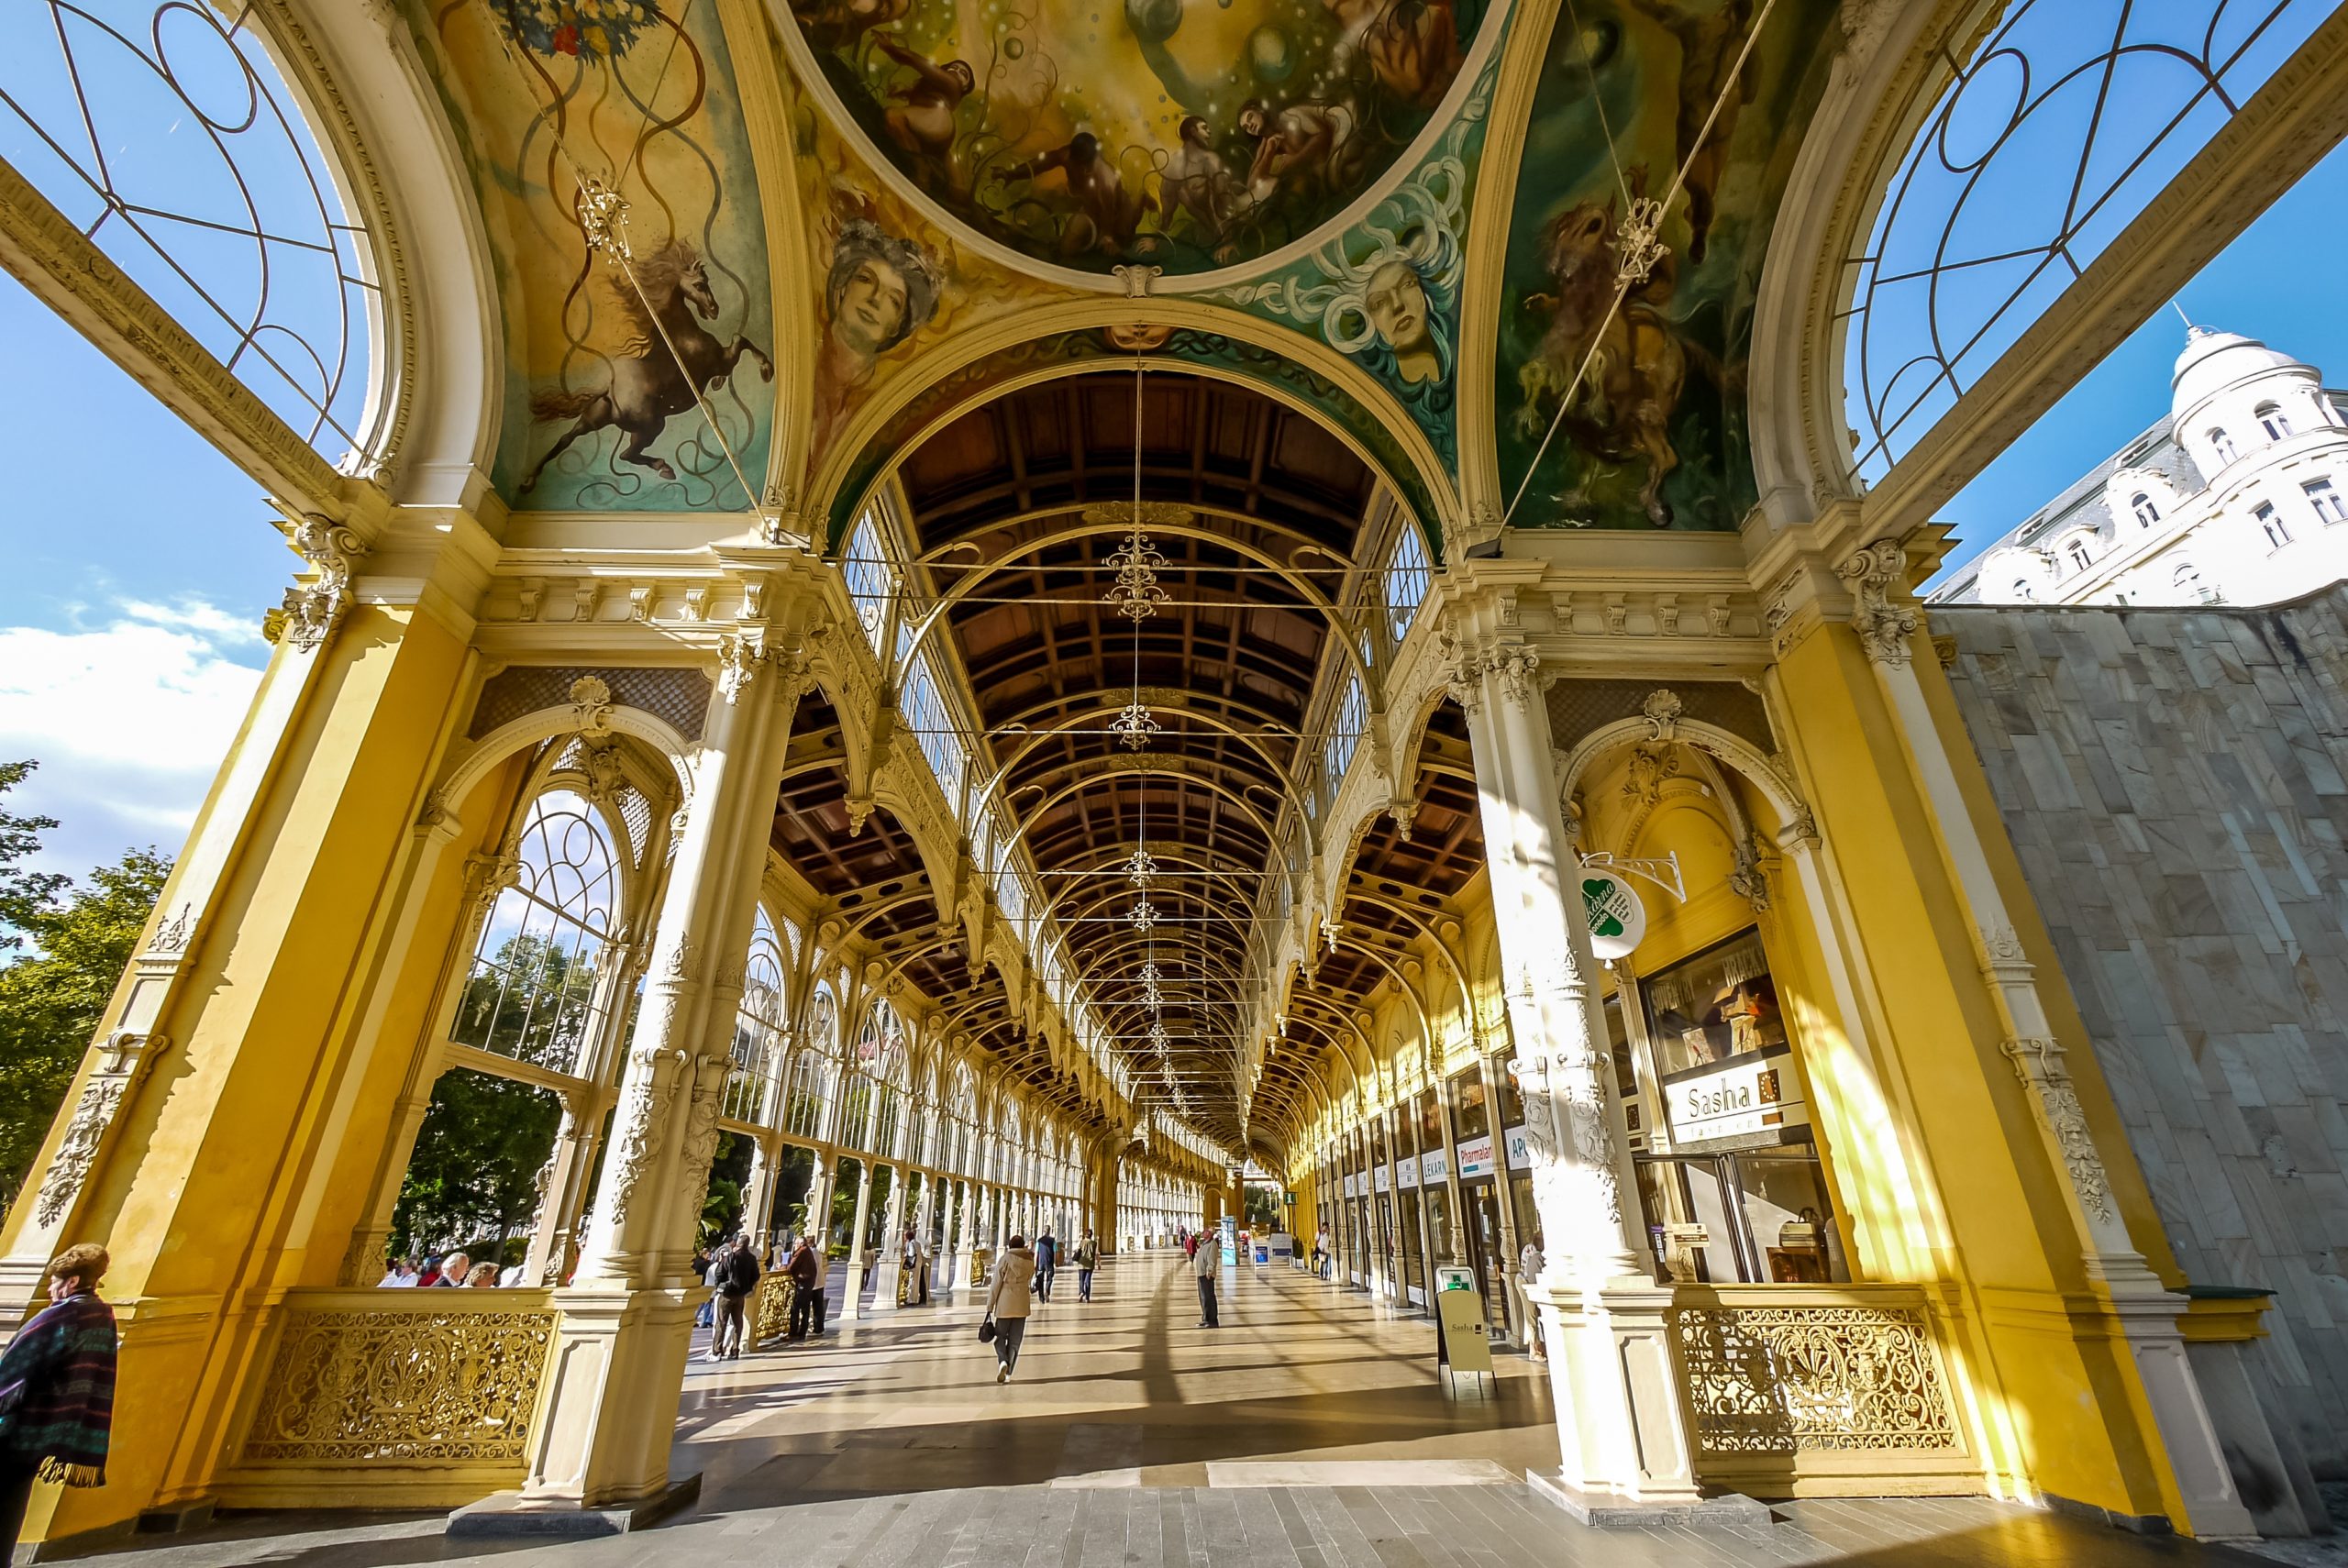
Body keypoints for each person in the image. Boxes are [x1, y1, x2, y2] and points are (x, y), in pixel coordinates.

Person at [0, 1244, 118, 1556]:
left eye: (54, 1282)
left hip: (17, 1428)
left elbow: (15, 1372)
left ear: (73, 1282)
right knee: (10, 1506)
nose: (51, 1289)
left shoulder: (62, 1315)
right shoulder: (102, 1314)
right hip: (47, 1430)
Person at [984, 1234, 1037, 1383]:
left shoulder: (1005, 1259)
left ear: (1010, 1245)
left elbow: (996, 1284)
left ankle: (1003, 1361)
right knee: (1015, 1341)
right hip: (1021, 1304)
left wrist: (990, 1305)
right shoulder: (1029, 1260)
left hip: (1005, 1304)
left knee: (999, 1336)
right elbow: (1030, 1277)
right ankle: (1009, 1372)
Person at [711, 1232, 760, 1360]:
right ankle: (735, 1350)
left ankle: (718, 1351)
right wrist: (747, 1287)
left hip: (727, 1293)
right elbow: (756, 1276)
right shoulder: (751, 1258)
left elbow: (719, 1273)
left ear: (738, 1243)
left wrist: (719, 1287)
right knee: (738, 1323)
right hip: (740, 1295)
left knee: (721, 1322)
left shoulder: (731, 1257)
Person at [785, 1238, 821, 1342]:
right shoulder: (808, 1251)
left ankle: (793, 1333)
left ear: (800, 1244)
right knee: (805, 1309)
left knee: (795, 1308)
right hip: (809, 1283)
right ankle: (802, 1332)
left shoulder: (801, 1251)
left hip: (803, 1283)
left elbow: (791, 1267)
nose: (795, 1245)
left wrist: (785, 1267)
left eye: (795, 1243)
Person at [1191, 1227, 1221, 1329]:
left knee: (1208, 1297)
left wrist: (1209, 1271)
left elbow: (1212, 1259)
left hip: (1206, 1275)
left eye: (1206, 1231)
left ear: (1210, 1233)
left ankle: (1212, 1320)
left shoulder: (1212, 1244)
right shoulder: (1205, 1243)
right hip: (1201, 1274)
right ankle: (1205, 1318)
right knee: (1203, 1297)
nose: (1203, 1232)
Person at [1073, 1230, 1100, 1302]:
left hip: (1082, 1264)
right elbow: (1097, 1254)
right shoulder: (1094, 1243)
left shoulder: (1081, 1242)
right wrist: (1099, 1263)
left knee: (1081, 1279)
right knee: (1088, 1280)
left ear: (1085, 1235)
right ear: (1091, 1235)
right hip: (1090, 1264)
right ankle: (1087, 1298)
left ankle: (1081, 1292)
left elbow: (1074, 1249)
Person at [1033, 1230, 1057, 1302]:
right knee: (1050, 1278)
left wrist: (1035, 1264)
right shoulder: (1053, 1241)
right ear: (1049, 1231)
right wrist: (1055, 1262)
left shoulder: (1039, 1241)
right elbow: (1055, 1252)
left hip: (1041, 1263)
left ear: (1043, 1231)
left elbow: (1036, 1253)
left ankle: (1041, 1298)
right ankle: (1047, 1291)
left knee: (1040, 1279)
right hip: (1049, 1262)